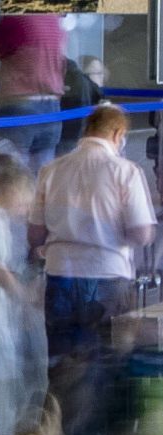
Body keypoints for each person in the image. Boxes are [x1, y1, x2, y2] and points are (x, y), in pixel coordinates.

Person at [38, 101, 156, 372]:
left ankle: (60, 413)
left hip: (60, 274)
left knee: (60, 364)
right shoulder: (125, 171)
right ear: (117, 134)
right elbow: (140, 232)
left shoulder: (51, 170)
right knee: (104, 363)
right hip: (107, 276)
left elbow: (35, 233)